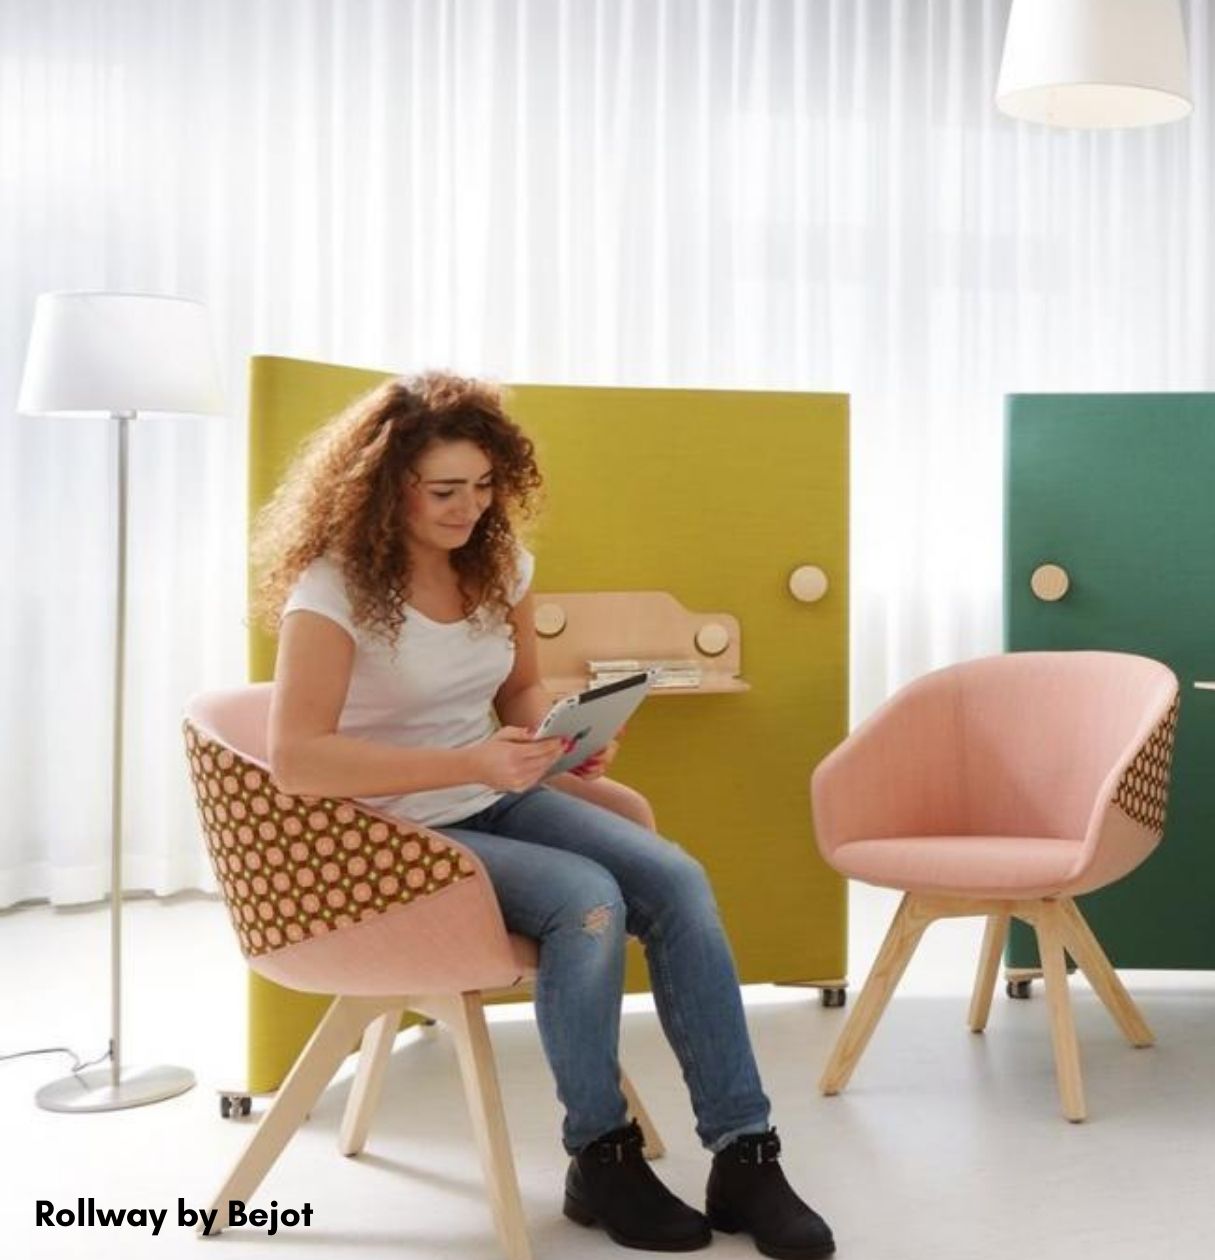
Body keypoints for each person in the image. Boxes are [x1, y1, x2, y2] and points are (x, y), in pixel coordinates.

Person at [252, 371, 835, 1258]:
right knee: (587, 899)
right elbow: (297, 757)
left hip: (492, 795)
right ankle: (600, 1155)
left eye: (484, 487)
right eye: (445, 490)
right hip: (387, 835)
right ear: (383, 485)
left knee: (676, 879)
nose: (471, 508)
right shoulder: (329, 593)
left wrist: (554, 741)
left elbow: (520, 688)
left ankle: (745, 1155)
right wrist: (471, 760)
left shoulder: (498, 566)